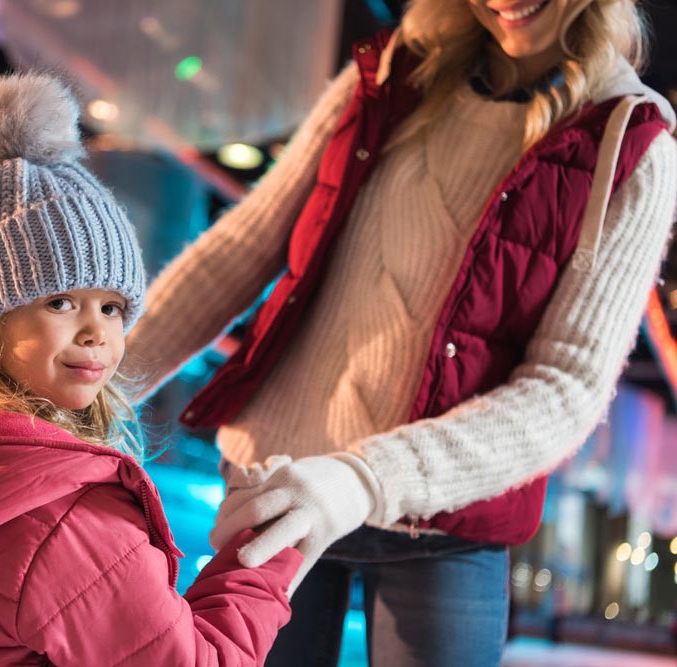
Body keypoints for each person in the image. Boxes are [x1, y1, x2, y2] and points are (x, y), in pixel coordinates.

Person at [123, 0, 677, 665]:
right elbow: (239, 250)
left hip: (445, 522)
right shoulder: (392, 73)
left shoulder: (630, 143)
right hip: (278, 482)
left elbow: (567, 388)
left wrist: (364, 477)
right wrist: (91, 391)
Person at [0, 72, 301, 666]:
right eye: (61, 301)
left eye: (113, 307)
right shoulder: (57, 517)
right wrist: (270, 546)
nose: (97, 332)